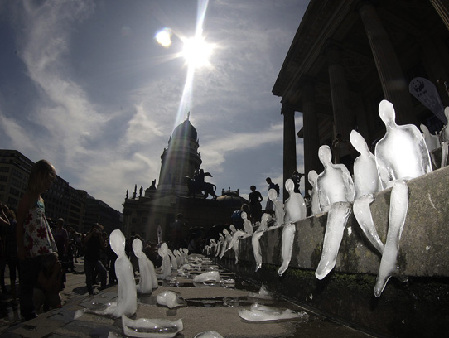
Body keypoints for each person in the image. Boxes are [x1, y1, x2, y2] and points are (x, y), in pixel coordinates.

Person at [16, 159, 60, 320]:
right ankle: (28, 315)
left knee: (39, 277)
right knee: (27, 283)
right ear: (39, 176)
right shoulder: (27, 198)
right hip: (29, 248)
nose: (50, 185)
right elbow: (19, 223)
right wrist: (20, 247)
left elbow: (42, 224)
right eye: (48, 180)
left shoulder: (41, 200)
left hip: (41, 248)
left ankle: (41, 307)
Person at [83, 223, 107, 295]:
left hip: (96, 259)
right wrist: (91, 233)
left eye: (97, 228)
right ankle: (90, 292)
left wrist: (100, 236)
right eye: (95, 228)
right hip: (88, 258)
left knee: (103, 271)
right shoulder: (89, 234)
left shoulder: (99, 237)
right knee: (88, 276)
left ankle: (103, 288)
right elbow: (85, 241)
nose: (96, 230)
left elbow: (103, 246)